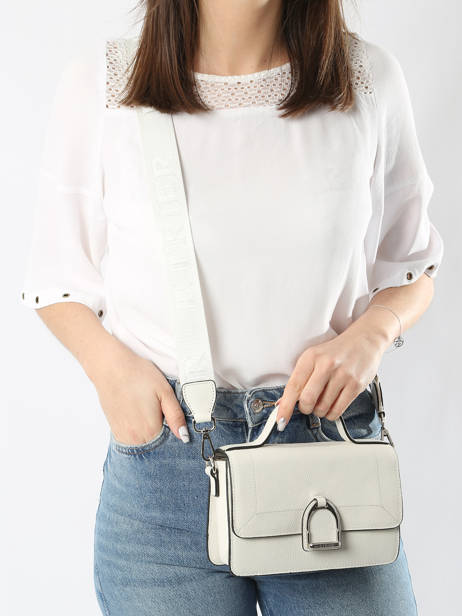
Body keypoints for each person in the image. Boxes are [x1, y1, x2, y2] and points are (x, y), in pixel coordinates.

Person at [20, 1, 443, 614]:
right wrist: (110, 372)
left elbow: (414, 265)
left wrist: (374, 333)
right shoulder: (105, 84)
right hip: (166, 473)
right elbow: (55, 279)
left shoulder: (366, 78)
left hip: (328, 457)